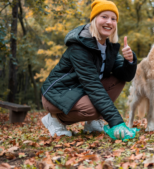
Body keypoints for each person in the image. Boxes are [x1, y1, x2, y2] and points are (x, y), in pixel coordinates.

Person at [41, 0, 138, 140]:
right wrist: (117, 123)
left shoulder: (109, 46)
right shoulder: (79, 46)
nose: (109, 22)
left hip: (80, 91)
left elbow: (125, 76)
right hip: (57, 93)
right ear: (94, 20)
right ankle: (54, 119)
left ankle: (92, 123)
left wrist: (129, 61)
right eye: (104, 17)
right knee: (93, 110)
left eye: (113, 19)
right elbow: (92, 85)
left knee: (118, 79)